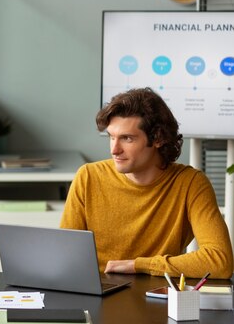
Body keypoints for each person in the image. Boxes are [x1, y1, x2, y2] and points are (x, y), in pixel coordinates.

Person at [60, 87, 233, 279]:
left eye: (127, 138)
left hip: (155, 296)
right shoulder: (88, 177)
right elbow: (65, 258)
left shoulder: (191, 184)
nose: (115, 149)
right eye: (111, 137)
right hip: (98, 293)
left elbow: (220, 261)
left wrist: (139, 265)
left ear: (157, 138)